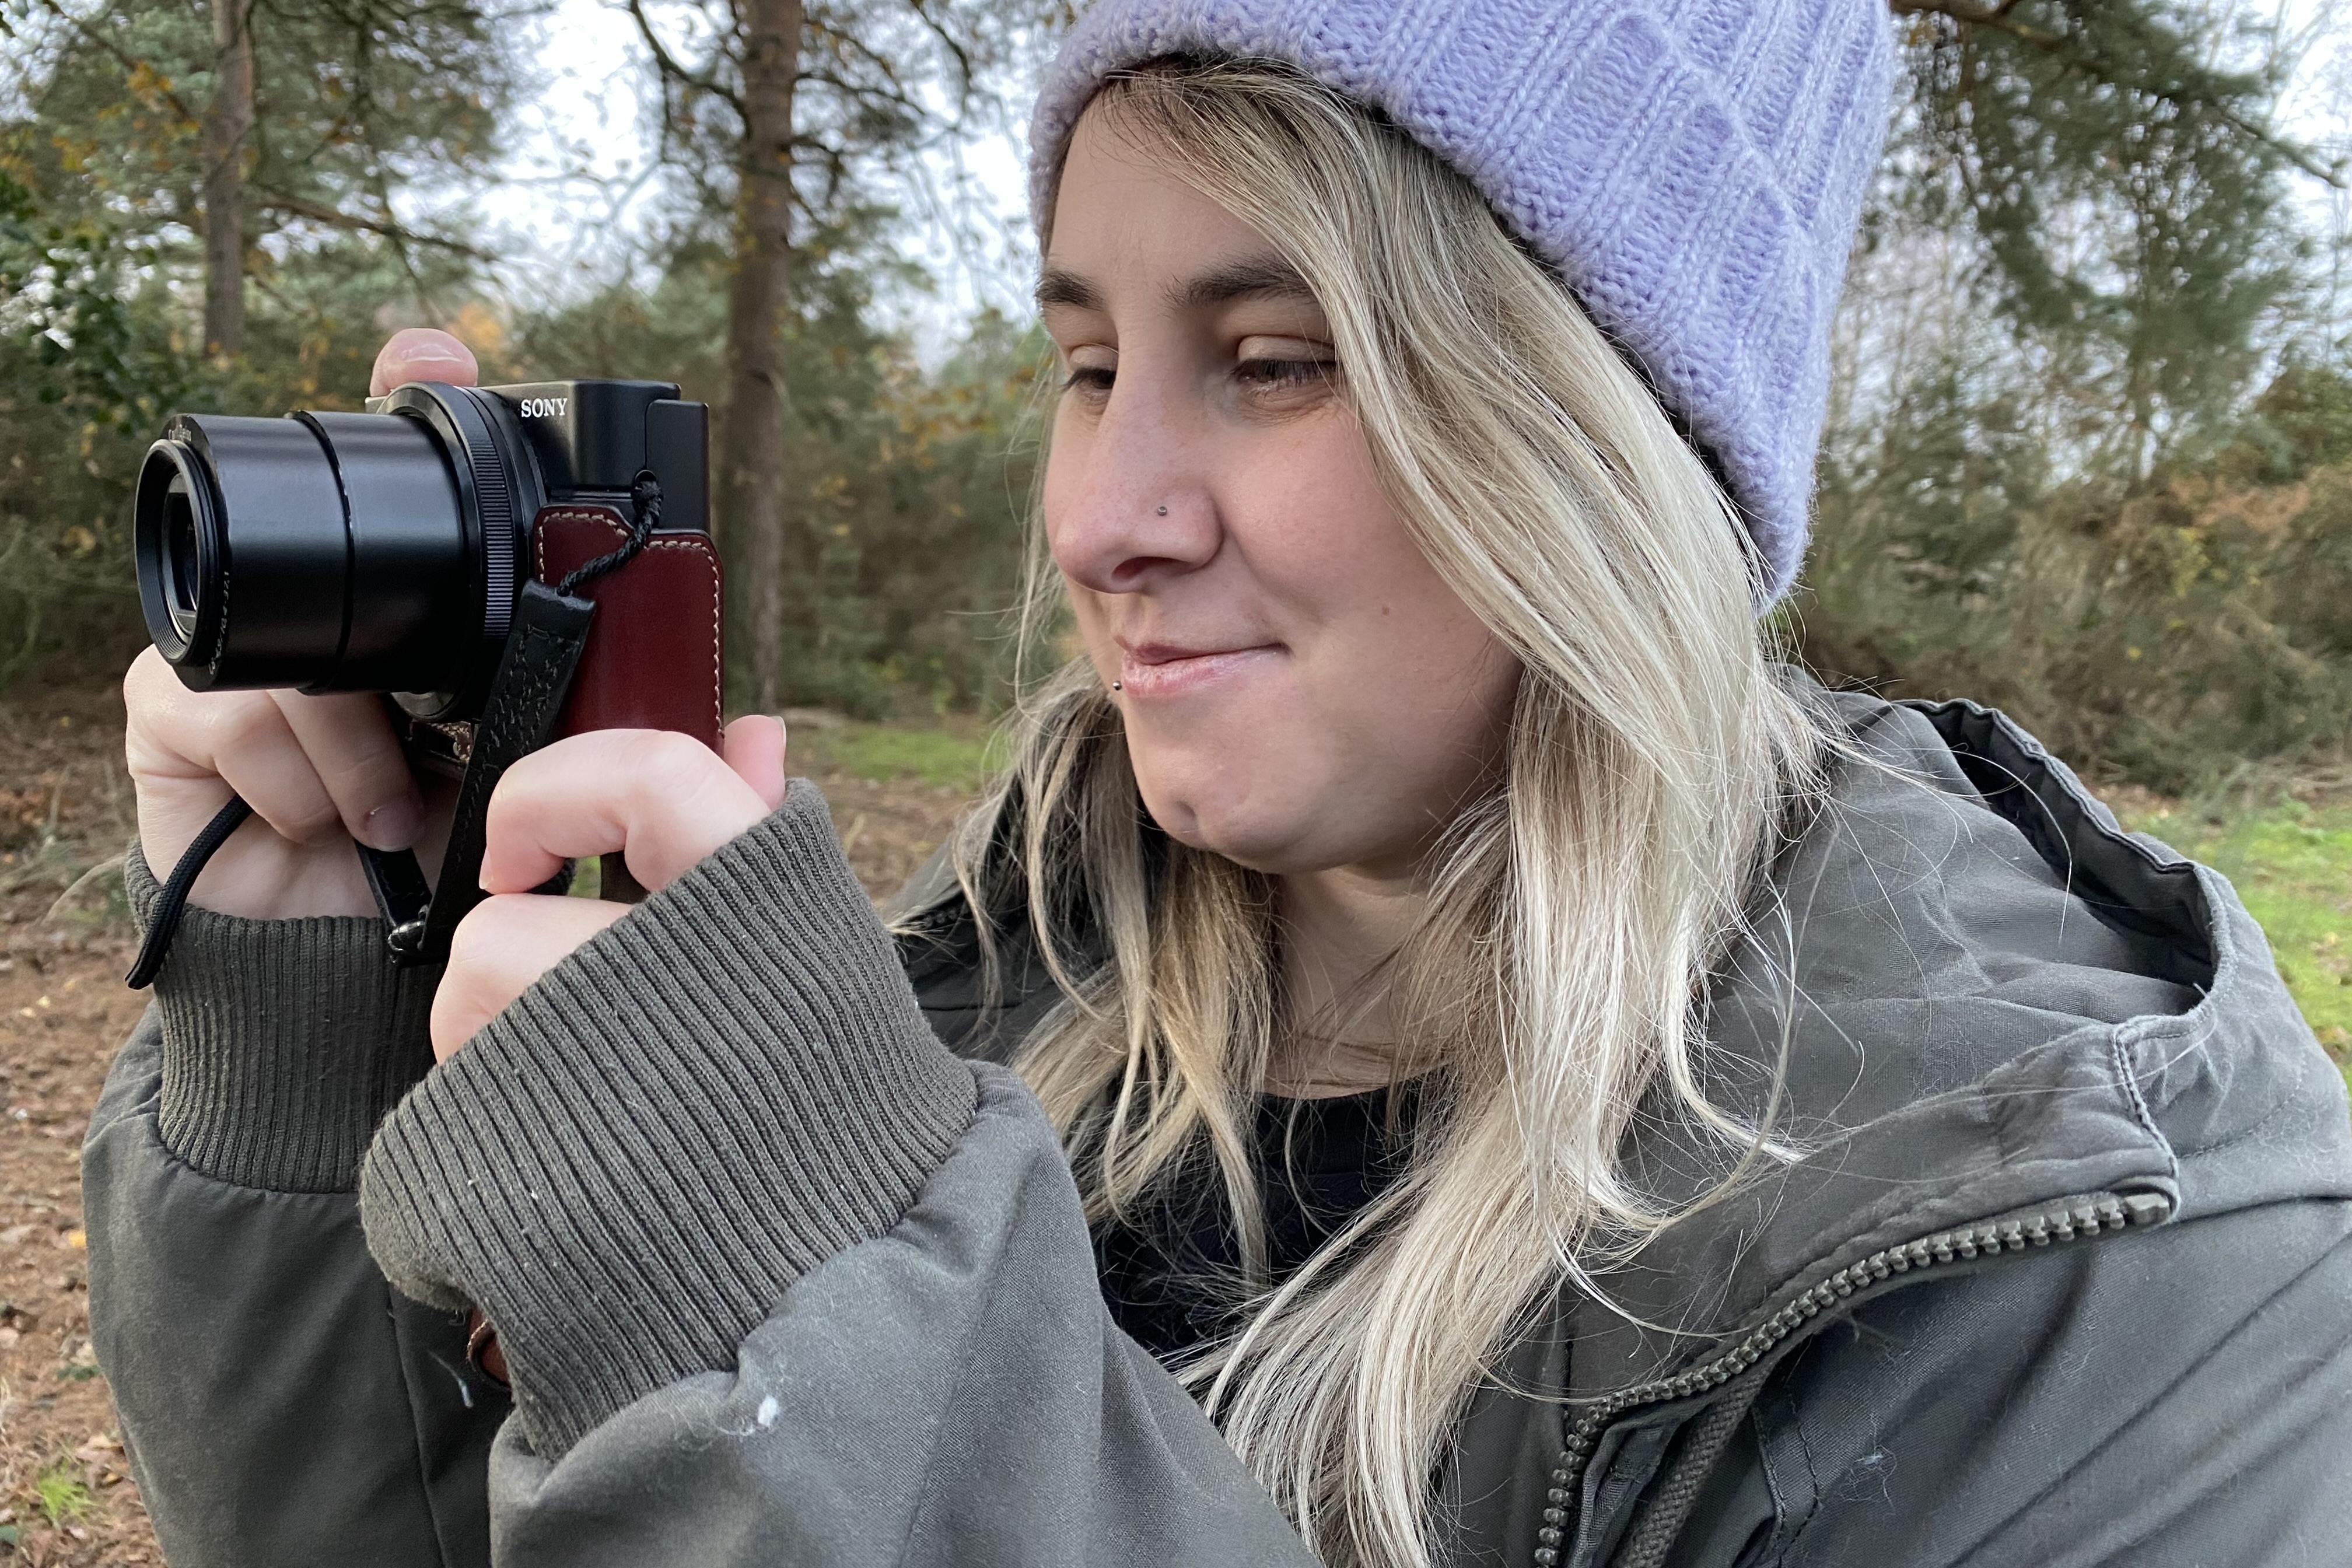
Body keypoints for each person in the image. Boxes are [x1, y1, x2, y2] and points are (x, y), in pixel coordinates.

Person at [87, 4, 2352, 1567]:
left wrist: (831, 1319)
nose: (1101, 516)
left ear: (1607, 430)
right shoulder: (1006, 994)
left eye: (1271, 363)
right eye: (1086, 362)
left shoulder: (2075, 1262)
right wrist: (301, 1042)